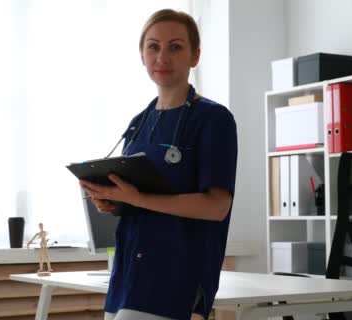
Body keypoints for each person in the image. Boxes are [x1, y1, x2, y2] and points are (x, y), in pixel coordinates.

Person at [80, 8, 238, 320]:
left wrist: (134, 198)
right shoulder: (139, 123)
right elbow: (138, 199)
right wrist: (114, 203)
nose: (162, 56)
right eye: (153, 46)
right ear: (142, 55)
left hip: (176, 272)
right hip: (128, 271)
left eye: (175, 47)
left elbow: (216, 206)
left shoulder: (213, 119)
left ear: (195, 56)